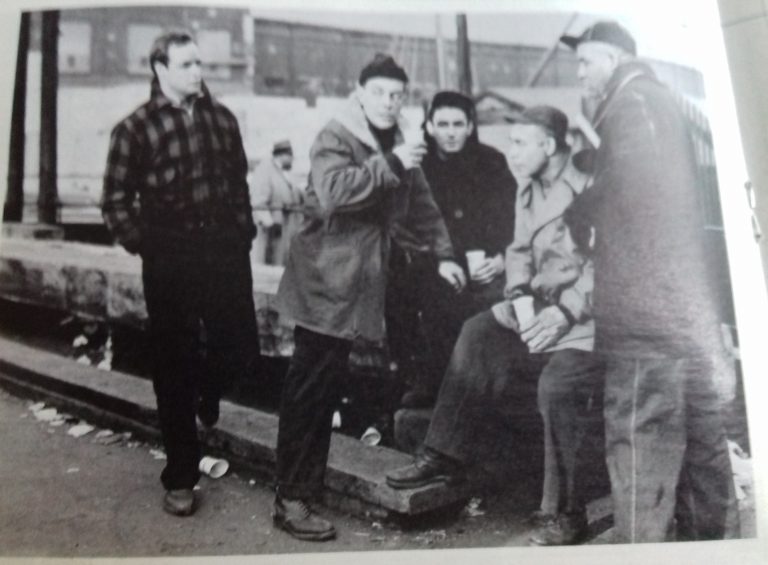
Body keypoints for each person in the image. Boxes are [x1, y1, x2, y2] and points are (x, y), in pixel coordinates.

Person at [387, 106, 604, 546]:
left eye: (520, 143)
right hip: (540, 307)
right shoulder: (529, 187)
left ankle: (565, 512)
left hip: (586, 318)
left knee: (557, 385)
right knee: (478, 332)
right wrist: (518, 293)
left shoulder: (590, 187)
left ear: (548, 145)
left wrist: (565, 311)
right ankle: (442, 454)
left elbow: (606, 266)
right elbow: (519, 250)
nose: (512, 152)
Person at [273, 54, 464, 541]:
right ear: (359, 93)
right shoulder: (336, 136)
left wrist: (444, 254)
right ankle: (291, 498)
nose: (388, 102)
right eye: (378, 92)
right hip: (325, 280)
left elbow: (423, 205)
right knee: (310, 389)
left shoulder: (400, 140)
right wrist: (391, 163)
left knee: (330, 385)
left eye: (396, 95)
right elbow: (334, 193)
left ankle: (304, 488)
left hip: (363, 282)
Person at [560, 21, 737, 542]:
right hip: (683, 306)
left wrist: (582, 210)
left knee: (639, 437)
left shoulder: (632, 103)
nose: (579, 72)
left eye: (585, 61)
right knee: (701, 440)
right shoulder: (656, 100)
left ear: (613, 58)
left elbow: (640, 188)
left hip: (644, 310)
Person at [101, 31, 259, 517]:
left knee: (241, 346)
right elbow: (114, 201)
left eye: (199, 63)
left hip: (224, 250)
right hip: (169, 254)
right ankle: (182, 476)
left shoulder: (222, 119)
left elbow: (238, 184)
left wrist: (243, 233)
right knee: (172, 364)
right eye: (187, 64)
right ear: (160, 69)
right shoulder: (135, 129)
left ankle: (207, 389)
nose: (197, 72)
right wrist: (146, 244)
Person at [394, 91, 517, 408]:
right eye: (443, 124)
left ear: (470, 126)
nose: (450, 133)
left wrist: (501, 258)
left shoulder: (491, 162)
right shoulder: (418, 165)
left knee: (494, 305)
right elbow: (404, 223)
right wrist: (438, 260)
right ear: (430, 127)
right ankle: (433, 383)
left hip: (486, 261)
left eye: (458, 124)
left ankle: (481, 392)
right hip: (434, 261)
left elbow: (511, 217)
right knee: (431, 298)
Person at [250, 139, 304, 266]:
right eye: (291, 157)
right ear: (282, 155)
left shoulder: (283, 174)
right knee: (269, 269)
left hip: (283, 233)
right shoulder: (264, 171)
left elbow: (296, 196)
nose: (292, 160)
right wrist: (270, 224)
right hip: (270, 234)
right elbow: (258, 202)